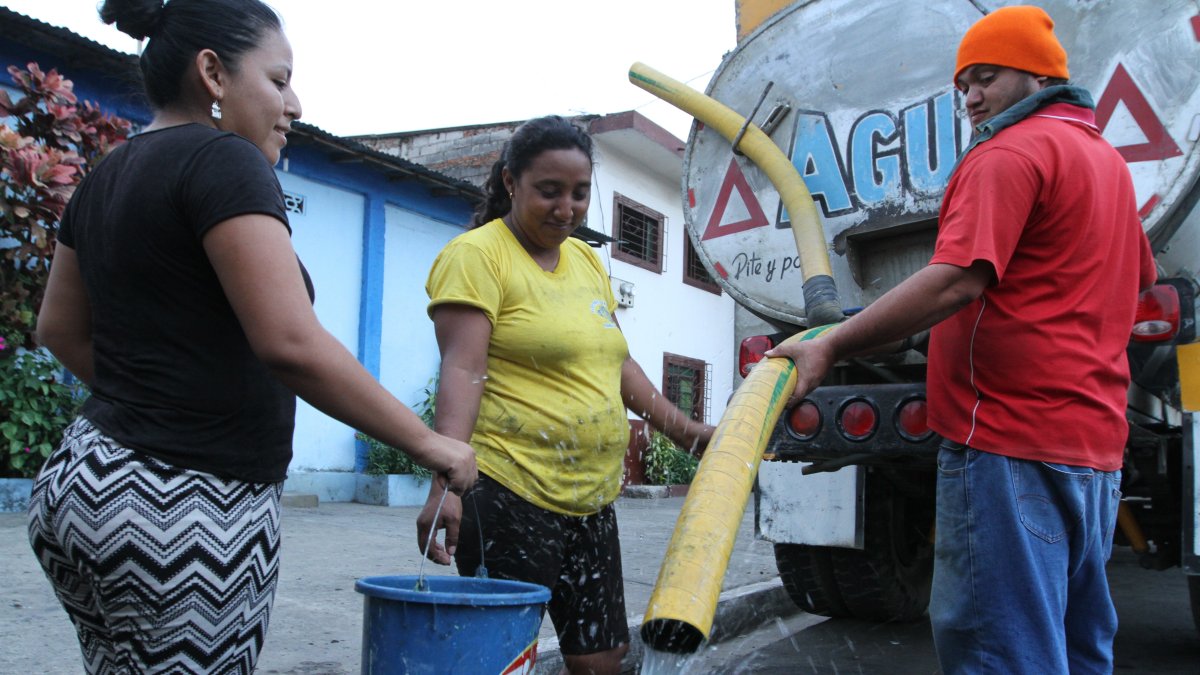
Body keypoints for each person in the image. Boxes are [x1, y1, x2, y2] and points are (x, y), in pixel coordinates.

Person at [27, 1, 476, 672]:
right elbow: (290, 341)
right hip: (184, 503)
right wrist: (429, 441)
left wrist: (156, 395)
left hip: (84, 484)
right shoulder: (224, 160)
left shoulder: (106, 176)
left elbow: (58, 328)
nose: (294, 104)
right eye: (278, 79)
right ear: (212, 73)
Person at [766, 6, 1156, 674]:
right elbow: (1133, 280)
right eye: (964, 85)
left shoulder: (1005, 153)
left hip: (1008, 440)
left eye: (987, 77)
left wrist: (833, 343)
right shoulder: (1107, 165)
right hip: (1093, 450)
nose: (972, 97)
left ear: (1037, 75)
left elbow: (953, 283)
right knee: (1075, 645)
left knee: (999, 652)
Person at [416, 115, 714, 675]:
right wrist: (445, 483)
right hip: (507, 490)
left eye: (579, 194)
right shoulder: (478, 256)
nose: (566, 209)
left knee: (602, 658)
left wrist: (686, 431)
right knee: (501, 658)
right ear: (511, 182)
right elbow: (462, 368)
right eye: (548, 192)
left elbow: (616, 361)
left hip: (590, 501)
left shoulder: (583, 260)